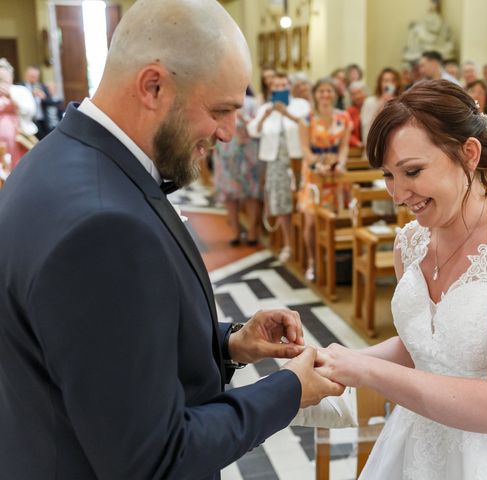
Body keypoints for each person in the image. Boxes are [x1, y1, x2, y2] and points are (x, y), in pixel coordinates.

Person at [0, 2, 343, 479]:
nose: (227, 134)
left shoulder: (55, 159)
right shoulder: (102, 228)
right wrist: (287, 390)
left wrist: (228, 343)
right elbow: (154, 458)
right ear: (153, 85)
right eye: (220, 110)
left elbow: (101, 352)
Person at [315, 80, 487, 479]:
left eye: (412, 171)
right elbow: (424, 347)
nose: (397, 193)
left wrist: (367, 372)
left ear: (469, 154)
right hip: (419, 443)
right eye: (389, 175)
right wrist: (332, 361)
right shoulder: (409, 242)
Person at [248, 73, 310, 264]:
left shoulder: (300, 104)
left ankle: (306, 249)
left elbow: (306, 125)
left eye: (284, 84)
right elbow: (253, 131)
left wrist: (286, 113)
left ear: (289, 87)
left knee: (302, 202)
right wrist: (266, 115)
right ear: (271, 89)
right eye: (276, 85)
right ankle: (288, 244)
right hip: (275, 160)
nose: (280, 88)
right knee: (282, 203)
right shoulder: (265, 108)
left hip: (298, 159)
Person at [298, 78, 352, 281]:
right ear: (315, 94)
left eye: (329, 90)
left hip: (335, 172)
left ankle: (333, 262)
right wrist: (318, 163)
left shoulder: (344, 118)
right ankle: (312, 261)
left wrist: (341, 163)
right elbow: (305, 150)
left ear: (335, 94)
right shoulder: (307, 120)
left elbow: (344, 146)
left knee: (334, 219)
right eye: (321, 91)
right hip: (314, 173)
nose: (325, 95)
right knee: (311, 222)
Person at [212, 89, 263, 246]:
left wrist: (245, 122)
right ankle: (235, 232)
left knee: (251, 192)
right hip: (227, 150)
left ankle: (252, 232)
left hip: (249, 150)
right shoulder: (220, 99)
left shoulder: (252, 102)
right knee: (230, 193)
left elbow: (259, 127)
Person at [0, 58, 37, 169]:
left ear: (11, 77)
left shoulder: (20, 91)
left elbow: (30, 110)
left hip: (19, 137)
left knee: (19, 167)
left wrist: (11, 97)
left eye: (4, 79)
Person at [361, 67, 401, 145]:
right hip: (374, 146)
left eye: (393, 81)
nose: (389, 84)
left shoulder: (401, 103)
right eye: (385, 81)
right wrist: (381, 105)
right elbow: (366, 130)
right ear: (380, 83)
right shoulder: (370, 102)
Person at [18, 65, 55, 139]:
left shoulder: (42, 86)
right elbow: (18, 103)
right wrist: (31, 95)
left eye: (36, 76)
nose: (34, 78)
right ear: (26, 75)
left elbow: (51, 102)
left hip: (42, 120)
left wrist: (44, 97)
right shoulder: (20, 86)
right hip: (28, 121)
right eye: (32, 76)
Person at [346, 80, 367, 147]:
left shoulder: (371, 107)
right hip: (357, 148)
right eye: (354, 94)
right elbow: (347, 133)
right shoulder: (349, 112)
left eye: (359, 92)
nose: (357, 96)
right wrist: (357, 143)